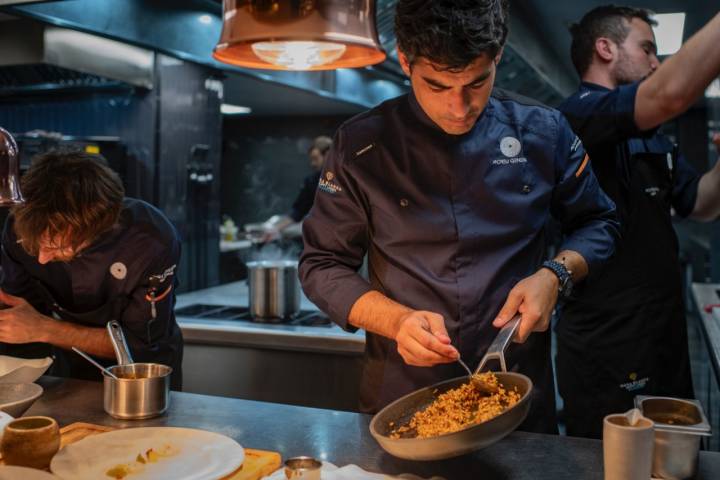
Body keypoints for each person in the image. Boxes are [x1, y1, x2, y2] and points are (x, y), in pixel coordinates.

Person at [299, 0, 619, 433]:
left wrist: (554, 275)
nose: (458, 107)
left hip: (517, 388)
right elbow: (322, 265)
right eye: (435, 85)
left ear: (498, 58)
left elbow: (599, 223)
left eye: (477, 82)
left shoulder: (544, 132)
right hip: (402, 391)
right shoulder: (360, 146)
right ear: (404, 62)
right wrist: (396, 321)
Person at [557, 6, 720, 438]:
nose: (655, 62)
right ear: (605, 48)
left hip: (664, 335)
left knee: (676, 458)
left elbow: (700, 204)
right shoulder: (574, 118)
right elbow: (669, 94)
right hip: (606, 342)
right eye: (647, 48)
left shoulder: (653, 136)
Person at [0, 149, 183, 389]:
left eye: (59, 247)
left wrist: (44, 329)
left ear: (100, 229)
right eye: (35, 245)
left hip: (141, 376)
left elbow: (139, 344)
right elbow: (22, 316)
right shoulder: (19, 227)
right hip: (66, 365)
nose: (43, 259)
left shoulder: (151, 241)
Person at [259, 136, 333, 242]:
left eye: (316, 159)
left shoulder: (346, 179)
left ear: (328, 155)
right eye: (311, 159)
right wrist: (275, 229)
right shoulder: (311, 182)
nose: (313, 164)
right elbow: (298, 212)